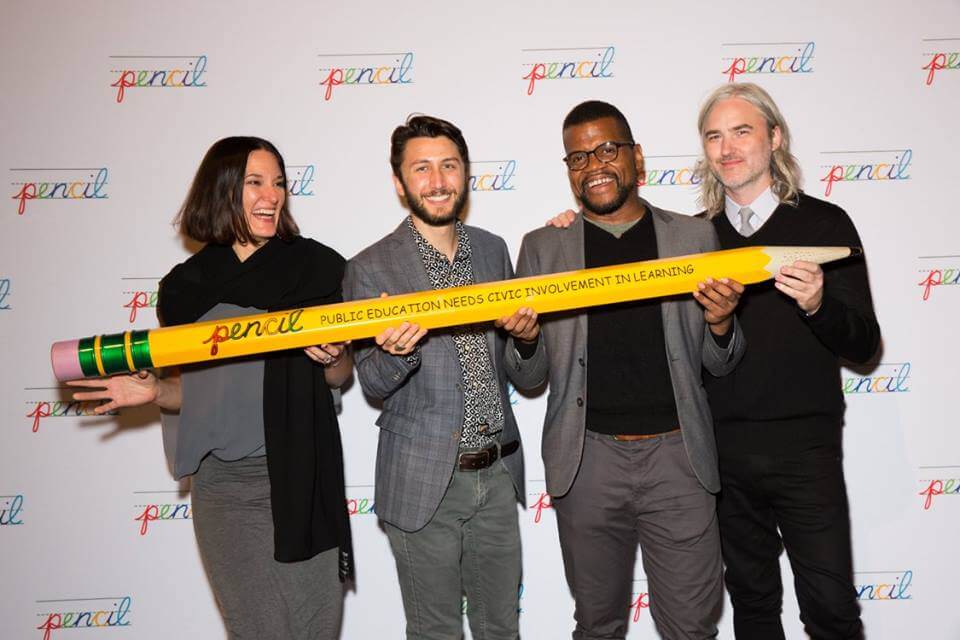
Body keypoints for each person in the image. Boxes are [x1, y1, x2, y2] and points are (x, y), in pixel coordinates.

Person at [69, 136, 353, 640]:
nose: (272, 195)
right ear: (222, 190)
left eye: (278, 183)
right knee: (258, 631)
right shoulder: (185, 288)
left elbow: (340, 376)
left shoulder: (318, 268)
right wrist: (156, 393)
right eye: (255, 182)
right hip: (226, 490)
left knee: (315, 630)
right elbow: (193, 394)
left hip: (304, 473)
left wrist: (334, 355)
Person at [513, 100, 745, 640]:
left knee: (691, 628)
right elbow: (528, 378)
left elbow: (721, 361)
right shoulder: (543, 248)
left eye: (606, 149)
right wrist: (524, 341)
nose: (593, 165)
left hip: (680, 459)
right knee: (597, 626)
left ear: (636, 157)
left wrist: (720, 323)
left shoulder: (693, 238)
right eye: (577, 157)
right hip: (586, 460)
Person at [342, 114, 544, 640]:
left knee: (502, 629)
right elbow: (372, 383)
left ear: (466, 174)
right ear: (399, 182)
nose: (437, 181)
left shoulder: (493, 249)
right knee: (435, 632)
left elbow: (525, 374)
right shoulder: (370, 268)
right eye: (422, 168)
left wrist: (526, 339)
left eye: (449, 166)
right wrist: (398, 352)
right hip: (423, 477)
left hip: (497, 474)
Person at [693, 83, 880, 639]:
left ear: (774, 137)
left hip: (805, 450)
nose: (727, 148)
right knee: (752, 609)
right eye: (714, 136)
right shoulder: (693, 238)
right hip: (723, 453)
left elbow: (865, 345)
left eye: (741, 131)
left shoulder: (826, 225)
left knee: (831, 609)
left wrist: (820, 305)